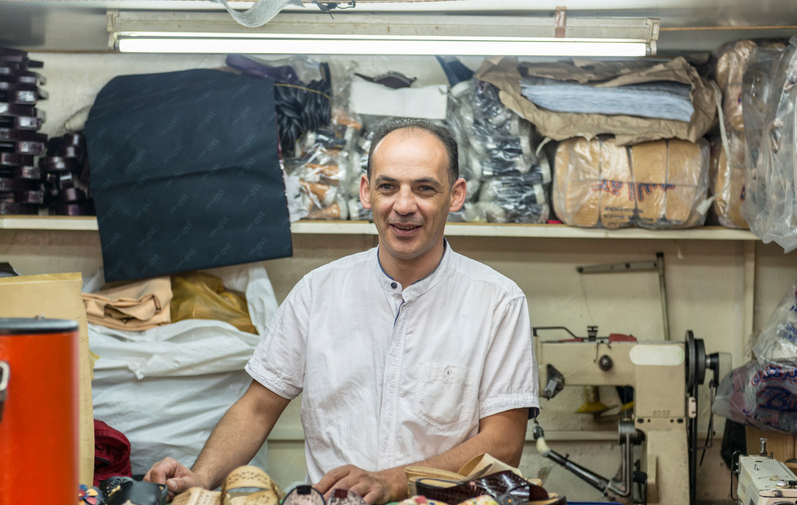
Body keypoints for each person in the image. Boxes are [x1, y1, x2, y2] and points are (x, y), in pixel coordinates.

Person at [145, 119, 540, 504]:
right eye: (388, 187)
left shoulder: (498, 302)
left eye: (424, 188)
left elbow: (503, 444)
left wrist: (394, 483)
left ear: (455, 195)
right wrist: (201, 476)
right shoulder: (318, 293)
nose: (403, 206)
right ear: (366, 192)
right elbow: (257, 409)